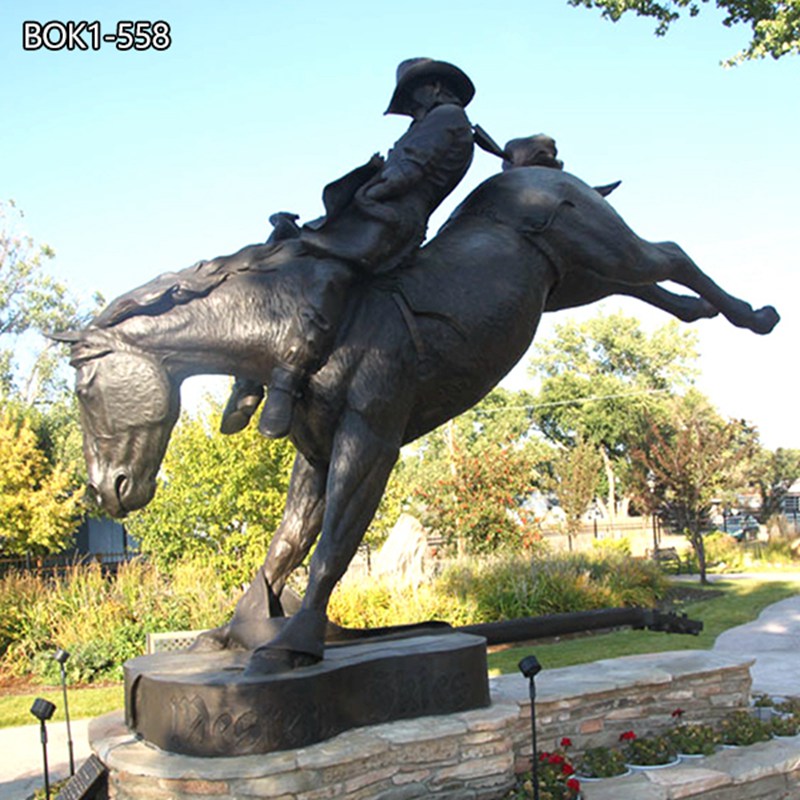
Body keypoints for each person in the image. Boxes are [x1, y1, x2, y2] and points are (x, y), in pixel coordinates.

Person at [221, 58, 476, 438]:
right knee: (281, 248)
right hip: (375, 210)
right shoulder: (427, 123)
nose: (412, 102)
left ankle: (286, 381)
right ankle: (247, 381)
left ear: (435, 87)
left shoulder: (449, 118)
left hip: (391, 220)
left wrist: (373, 187)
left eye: (413, 93)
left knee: (330, 273)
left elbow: (412, 169)